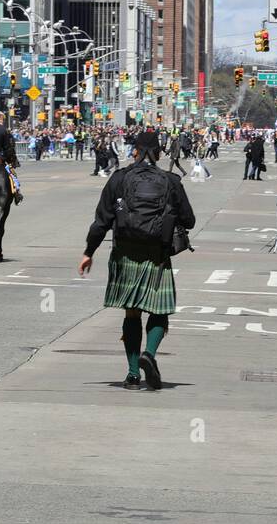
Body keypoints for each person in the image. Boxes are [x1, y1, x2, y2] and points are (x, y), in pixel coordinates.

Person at [79, 130, 196, 390]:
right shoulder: (170, 181)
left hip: (125, 251)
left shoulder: (119, 179)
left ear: (134, 151)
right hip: (157, 254)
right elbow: (189, 220)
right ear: (158, 153)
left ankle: (133, 374)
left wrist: (89, 252)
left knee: (132, 312)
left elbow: (102, 221)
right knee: (159, 309)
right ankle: (149, 354)